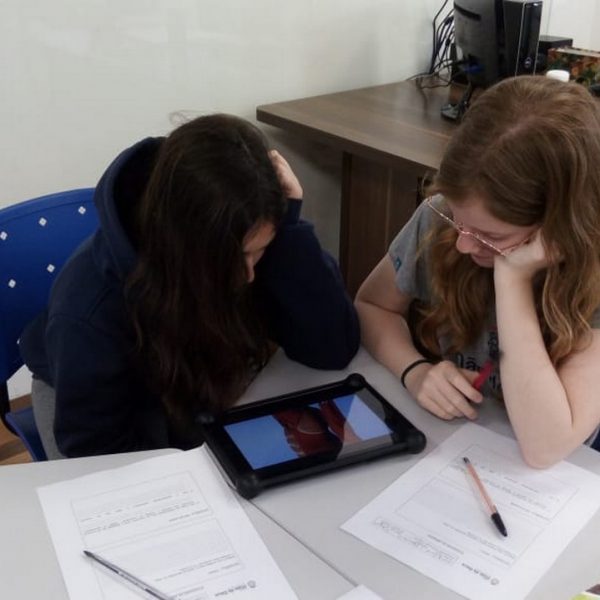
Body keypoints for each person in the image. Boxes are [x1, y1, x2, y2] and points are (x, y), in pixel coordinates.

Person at [20, 114, 360, 459]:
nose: (248, 275)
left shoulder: (240, 232)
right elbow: (99, 455)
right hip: (96, 408)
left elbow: (333, 348)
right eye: (239, 257)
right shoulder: (88, 313)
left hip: (192, 372)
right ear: (188, 246)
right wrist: (209, 460)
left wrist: (288, 225)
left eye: (259, 252)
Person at [355, 75, 600, 469]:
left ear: (559, 226)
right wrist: (415, 371)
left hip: (565, 474)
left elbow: (545, 447)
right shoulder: (445, 220)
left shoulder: (591, 271)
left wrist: (513, 279)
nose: (464, 245)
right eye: (456, 219)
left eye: (491, 236)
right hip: (461, 441)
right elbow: (372, 305)